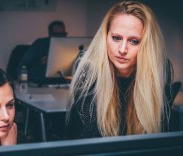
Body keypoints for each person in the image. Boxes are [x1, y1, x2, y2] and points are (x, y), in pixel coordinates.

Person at [66, 1, 174, 139]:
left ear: (147, 45)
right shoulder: (89, 69)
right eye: (116, 38)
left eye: (134, 41)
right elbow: (85, 138)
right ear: (105, 36)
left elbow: (158, 135)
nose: (122, 50)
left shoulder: (160, 69)